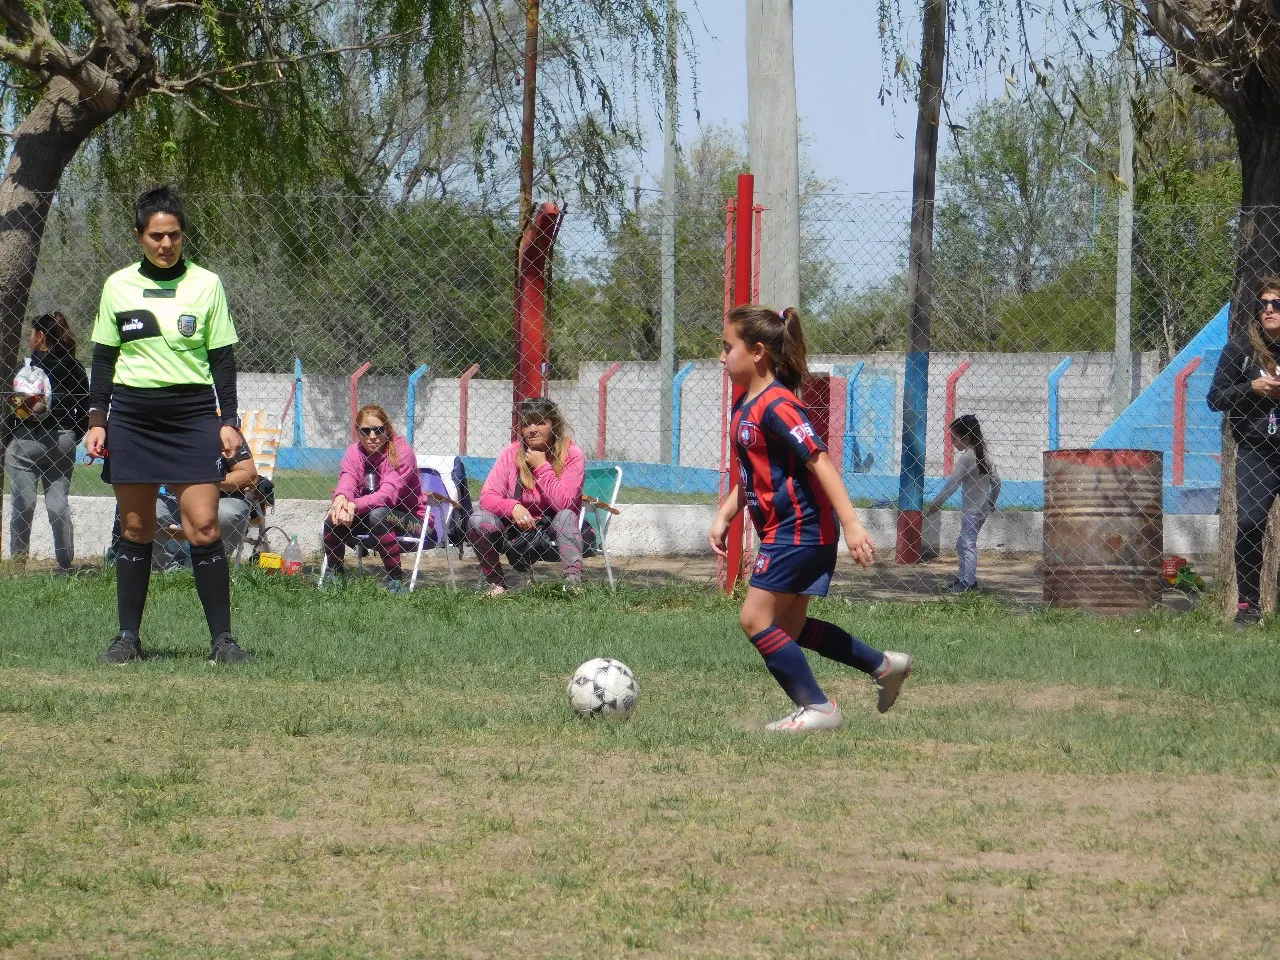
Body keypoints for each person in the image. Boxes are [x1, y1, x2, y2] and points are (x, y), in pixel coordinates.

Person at [709, 304, 913, 733]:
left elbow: (820, 463)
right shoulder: (744, 407)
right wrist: (728, 511)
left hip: (800, 529)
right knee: (791, 627)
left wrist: (853, 524)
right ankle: (883, 666)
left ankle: (818, 708)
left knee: (754, 619)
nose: (721, 357)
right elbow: (756, 473)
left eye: (728, 348)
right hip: (785, 531)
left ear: (759, 352)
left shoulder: (779, 405)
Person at [85, 185, 251, 664]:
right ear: (139, 236)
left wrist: (229, 420)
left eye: (174, 235)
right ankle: (127, 640)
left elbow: (222, 357)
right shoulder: (117, 286)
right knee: (136, 527)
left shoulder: (207, 284)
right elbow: (103, 358)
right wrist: (99, 419)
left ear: (183, 236)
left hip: (192, 415)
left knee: (203, 525)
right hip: (133, 417)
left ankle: (223, 641)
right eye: (156, 236)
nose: (166, 244)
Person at [1208, 276, 1280, 626]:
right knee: (1250, 522)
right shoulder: (1241, 348)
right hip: (1257, 449)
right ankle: (1248, 605)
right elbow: (1215, 398)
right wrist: (1252, 387)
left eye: (1276, 304)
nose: (1269, 309)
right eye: (1263, 304)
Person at [468, 397, 587, 596]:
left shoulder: (572, 454)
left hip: (553, 529)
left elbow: (565, 503)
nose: (532, 429)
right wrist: (513, 507)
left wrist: (542, 467)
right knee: (478, 519)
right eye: (526, 424)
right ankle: (496, 584)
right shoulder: (511, 452)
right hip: (513, 530)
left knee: (566, 515)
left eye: (540, 422)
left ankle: (573, 585)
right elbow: (487, 497)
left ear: (553, 425)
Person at [5, 312, 88, 570]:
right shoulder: (74, 367)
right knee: (58, 500)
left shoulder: (26, 366)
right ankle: (65, 562)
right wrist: (72, 435)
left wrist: (9, 438)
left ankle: (19, 562)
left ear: (41, 336)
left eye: (32, 333)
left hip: (25, 440)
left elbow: (12, 407)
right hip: (62, 439)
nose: (29, 338)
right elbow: (84, 408)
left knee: (24, 502)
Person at [324, 404, 424, 592]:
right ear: (358, 432)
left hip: (411, 521)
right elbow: (347, 480)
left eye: (378, 430)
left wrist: (353, 504)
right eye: (365, 431)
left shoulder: (402, 453)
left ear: (387, 429)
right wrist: (340, 501)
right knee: (333, 517)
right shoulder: (354, 452)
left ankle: (396, 582)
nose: (372, 436)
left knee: (378, 515)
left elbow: (387, 496)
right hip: (369, 515)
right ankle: (335, 580)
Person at [153, 441, 260, 568]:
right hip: (173, 494)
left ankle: (210, 565)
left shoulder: (221, 429)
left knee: (227, 514)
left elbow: (250, 475)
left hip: (222, 495)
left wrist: (202, 481)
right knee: (146, 507)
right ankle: (168, 572)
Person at [926, 414, 1001, 594]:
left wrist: (937, 503)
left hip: (972, 511)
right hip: (980, 510)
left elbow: (953, 483)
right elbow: (997, 482)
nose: (952, 442)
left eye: (954, 437)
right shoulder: (984, 455)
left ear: (965, 438)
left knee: (967, 544)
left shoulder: (967, 458)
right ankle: (963, 579)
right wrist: (991, 502)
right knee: (963, 543)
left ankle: (968, 583)